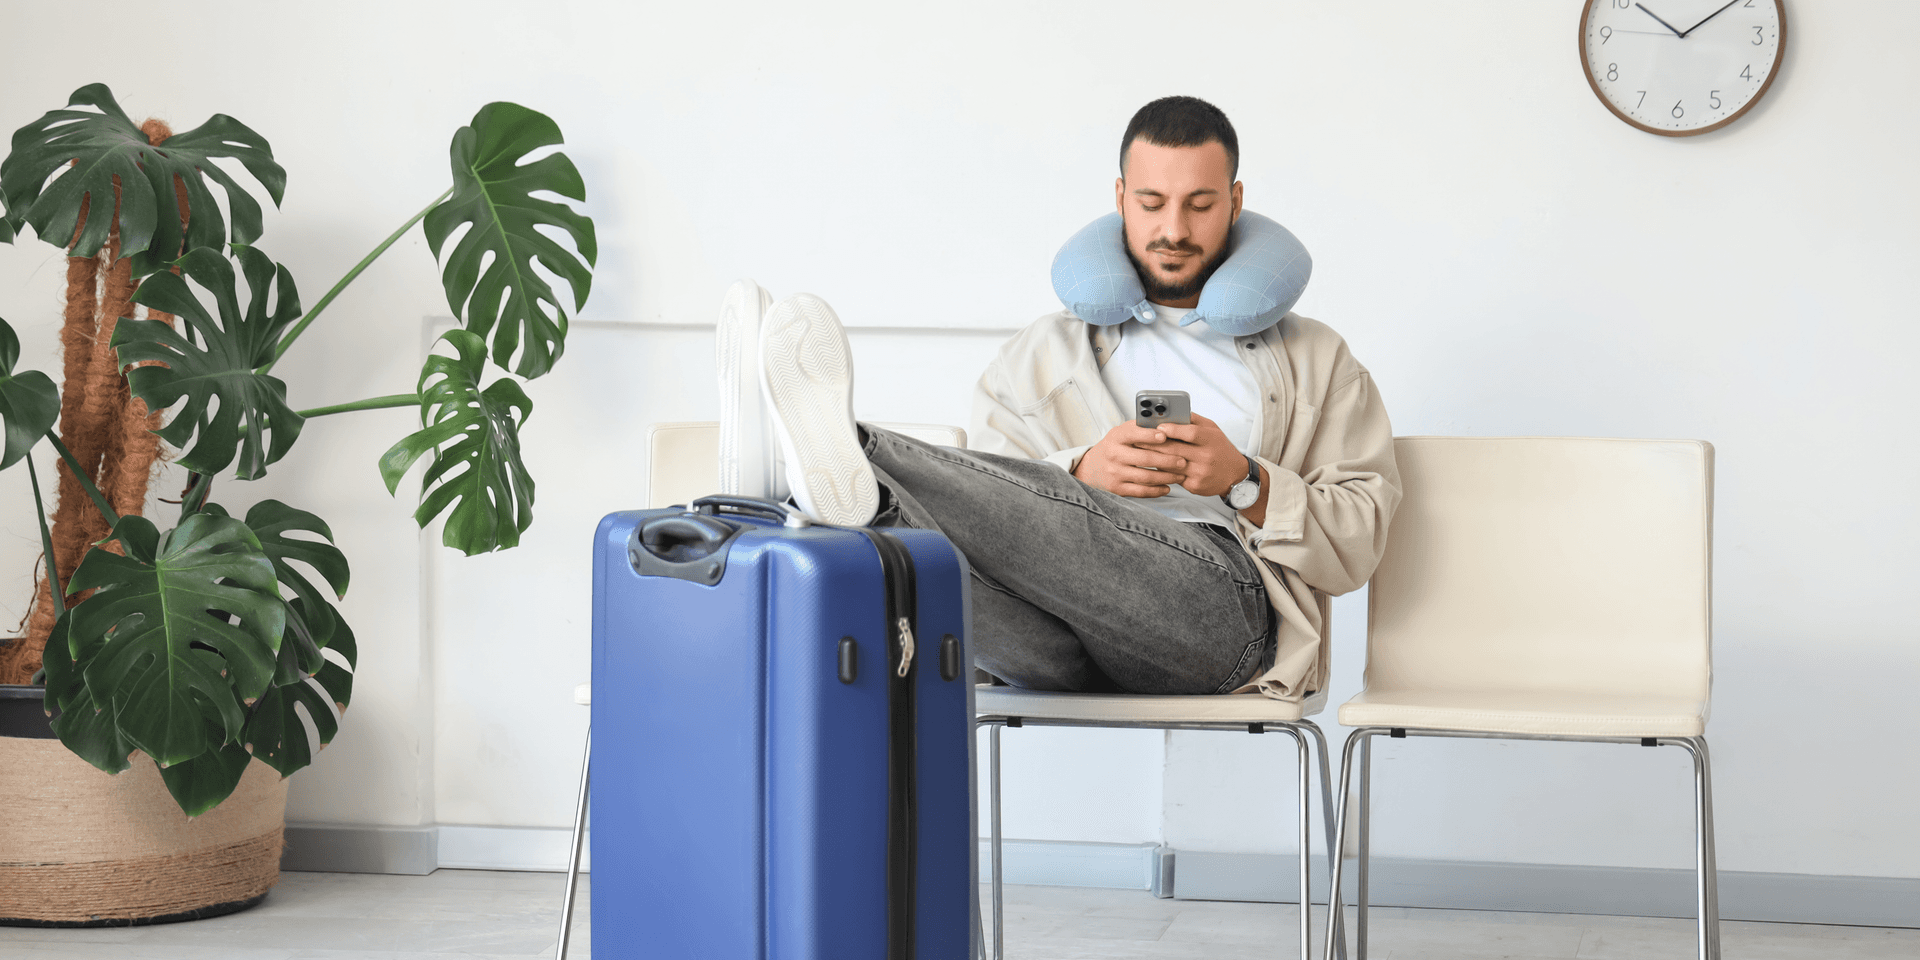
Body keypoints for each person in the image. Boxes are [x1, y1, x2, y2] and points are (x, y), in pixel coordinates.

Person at [719, 96, 1400, 699]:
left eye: (1200, 204)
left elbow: (1361, 540)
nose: (1174, 229)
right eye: (1152, 202)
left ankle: (842, 448)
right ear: (1120, 196)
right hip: (1054, 644)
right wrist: (1082, 471)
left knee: (1039, 521)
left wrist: (1246, 481)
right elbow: (986, 495)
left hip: (1221, 627)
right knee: (934, 571)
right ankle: (834, 479)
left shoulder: (1316, 359)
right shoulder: (1042, 353)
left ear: (1236, 200)